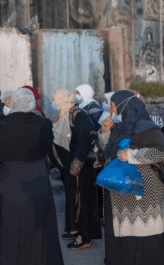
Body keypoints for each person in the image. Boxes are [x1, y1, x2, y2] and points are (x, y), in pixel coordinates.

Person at [0, 88, 64, 265]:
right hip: (38, 179)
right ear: (32, 103)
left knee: (13, 228)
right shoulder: (44, 124)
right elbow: (47, 150)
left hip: (11, 182)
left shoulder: (1, 126)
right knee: (41, 226)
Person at [99, 90, 164, 265]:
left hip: (142, 192)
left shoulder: (146, 126)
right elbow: (108, 151)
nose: (109, 107)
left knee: (144, 240)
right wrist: (105, 132)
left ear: (123, 105)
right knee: (124, 241)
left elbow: (162, 152)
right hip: (119, 190)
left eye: (113, 104)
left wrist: (132, 155)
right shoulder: (120, 126)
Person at [51, 88, 101, 250]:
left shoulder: (78, 115)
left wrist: (77, 162)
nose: (55, 102)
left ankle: (84, 237)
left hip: (80, 167)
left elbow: (83, 140)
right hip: (69, 167)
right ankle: (74, 229)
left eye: (57, 99)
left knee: (82, 202)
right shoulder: (65, 115)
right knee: (73, 198)